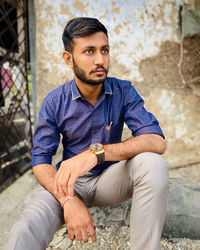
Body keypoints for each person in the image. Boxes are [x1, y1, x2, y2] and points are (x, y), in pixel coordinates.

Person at [5, 17, 168, 250]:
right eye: (89, 51)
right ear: (68, 59)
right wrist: (68, 200)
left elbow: (156, 141)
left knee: (154, 164)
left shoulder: (124, 91)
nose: (100, 60)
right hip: (69, 183)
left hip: (110, 179)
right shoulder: (54, 102)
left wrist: (96, 154)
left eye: (105, 50)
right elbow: (40, 162)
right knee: (24, 230)